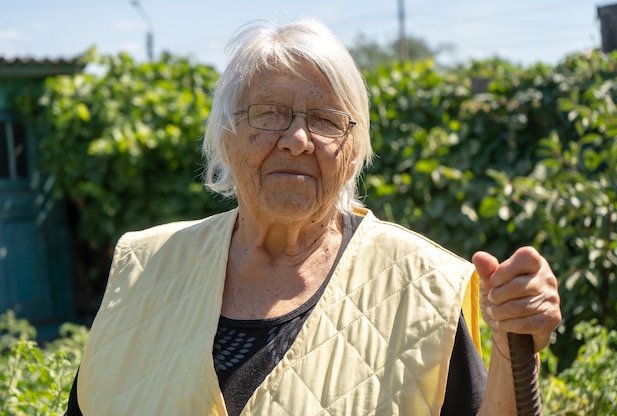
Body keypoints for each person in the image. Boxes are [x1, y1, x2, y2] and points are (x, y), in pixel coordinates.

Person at [65, 18, 561, 415]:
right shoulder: (144, 267)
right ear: (225, 136)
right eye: (268, 113)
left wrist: (514, 346)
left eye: (325, 120)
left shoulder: (422, 283)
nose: (297, 140)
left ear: (354, 150)